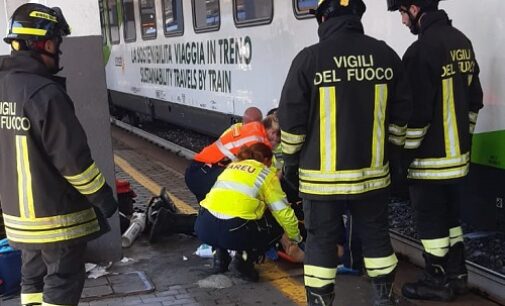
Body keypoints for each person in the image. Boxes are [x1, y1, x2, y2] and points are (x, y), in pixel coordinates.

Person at [278, 0, 413, 305]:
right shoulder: (385, 55)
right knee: (377, 236)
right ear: (357, 17)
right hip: (372, 176)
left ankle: (321, 301)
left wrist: (290, 163)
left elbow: (291, 122)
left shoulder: (309, 59)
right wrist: (392, 154)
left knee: (321, 242)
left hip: (320, 181)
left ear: (324, 18)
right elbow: (402, 113)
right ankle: (383, 298)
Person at [0, 4, 118, 306]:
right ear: (43, 42)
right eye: (56, 43)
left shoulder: (4, 88)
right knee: (61, 283)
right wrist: (102, 196)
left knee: (33, 280)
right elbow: (73, 162)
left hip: (19, 219)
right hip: (56, 217)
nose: (58, 51)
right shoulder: (45, 93)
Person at [387, 0, 484, 301]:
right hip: (458, 161)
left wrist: (403, 156)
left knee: (431, 223)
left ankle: (436, 279)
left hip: (429, 163)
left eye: (403, 13)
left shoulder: (420, 52)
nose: (403, 21)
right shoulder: (461, 43)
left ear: (414, 9)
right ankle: (457, 276)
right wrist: (462, 143)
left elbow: (416, 116)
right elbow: (474, 100)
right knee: (451, 221)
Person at [194, 143, 302, 281]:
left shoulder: (231, 167)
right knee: (275, 225)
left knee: (224, 216)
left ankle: (220, 259)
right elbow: (283, 212)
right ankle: (243, 262)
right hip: (232, 232)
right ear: (267, 160)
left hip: (203, 227)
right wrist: (295, 239)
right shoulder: (266, 174)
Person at [185, 114, 280, 203]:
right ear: (273, 133)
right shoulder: (257, 143)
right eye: (280, 139)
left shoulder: (253, 128)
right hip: (204, 174)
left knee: (210, 213)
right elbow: (264, 176)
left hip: (199, 171)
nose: (279, 143)